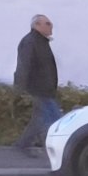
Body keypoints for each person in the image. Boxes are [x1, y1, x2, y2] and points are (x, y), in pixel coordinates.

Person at [13, 14, 59, 154]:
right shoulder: (30, 42)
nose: (51, 26)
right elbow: (24, 66)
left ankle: (23, 145)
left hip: (44, 89)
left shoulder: (40, 42)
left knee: (40, 120)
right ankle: (58, 149)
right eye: (48, 23)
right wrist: (20, 89)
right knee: (56, 120)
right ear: (37, 25)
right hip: (38, 89)